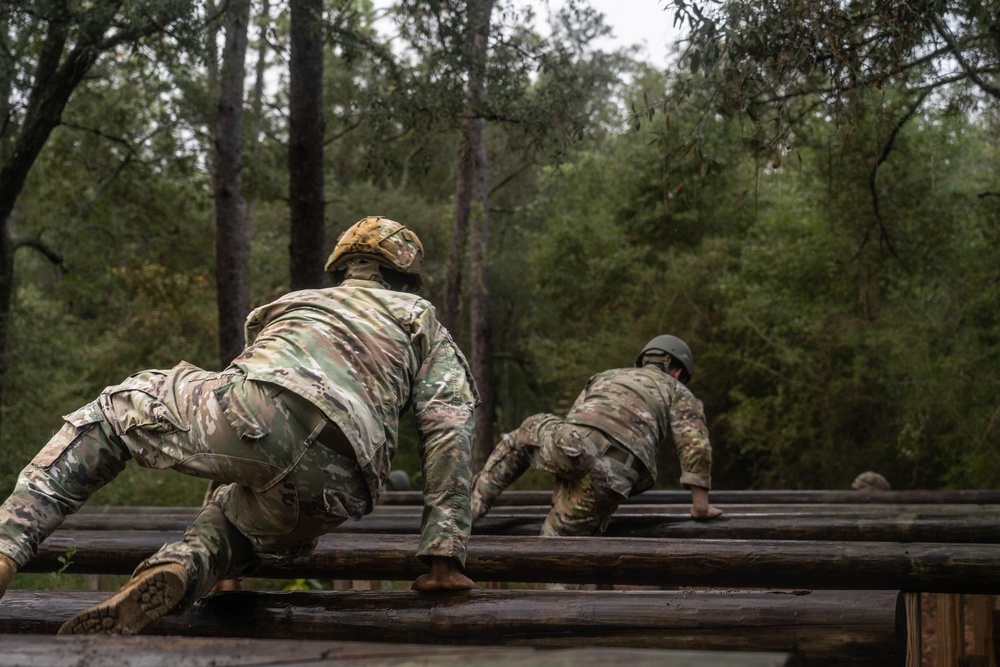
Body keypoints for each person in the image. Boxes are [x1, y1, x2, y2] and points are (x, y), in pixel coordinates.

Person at [0, 216, 480, 634]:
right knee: (242, 527)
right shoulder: (422, 321)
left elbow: (244, 390)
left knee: (112, 413)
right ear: (406, 278)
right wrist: (444, 557)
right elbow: (449, 427)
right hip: (345, 480)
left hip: (260, 413)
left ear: (342, 269)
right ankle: (183, 565)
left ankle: (6, 544)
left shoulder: (295, 305)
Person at [470, 335, 723, 537]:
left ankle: (471, 508)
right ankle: (560, 596)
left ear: (646, 359)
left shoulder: (607, 376)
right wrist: (700, 505)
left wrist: (561, 491)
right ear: (677, 372)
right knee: (558, 554)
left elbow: (574, 423)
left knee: (525, 433)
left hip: (575, 448)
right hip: (615, 479)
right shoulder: (679, 391)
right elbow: (695, 445)